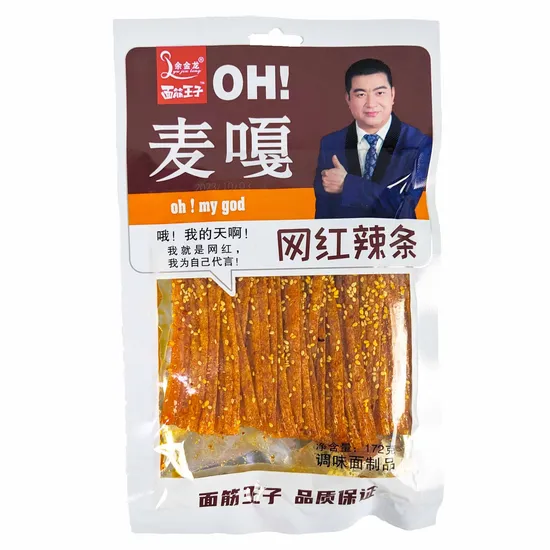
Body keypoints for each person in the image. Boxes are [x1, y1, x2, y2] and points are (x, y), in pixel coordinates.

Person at [314, 58, 432, 219]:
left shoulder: (419, 144)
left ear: (392, 95)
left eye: (379, 93)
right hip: (346, 235)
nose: (371, 104)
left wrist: (348, 185)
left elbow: (404, 208)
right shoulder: (330, 143)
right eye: (361, 94)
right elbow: (323, 215)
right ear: (348, 99)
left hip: (395, 235)